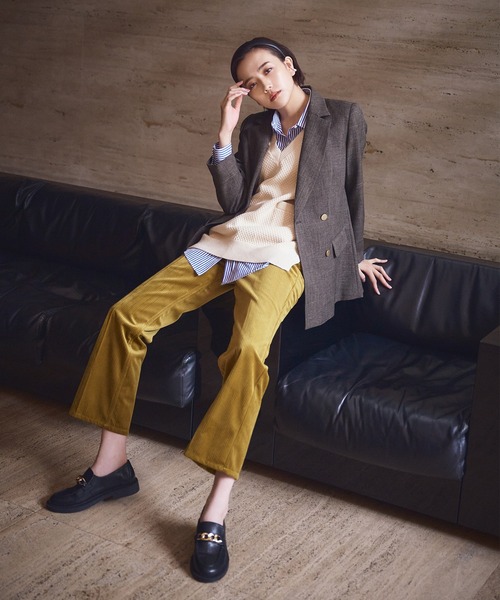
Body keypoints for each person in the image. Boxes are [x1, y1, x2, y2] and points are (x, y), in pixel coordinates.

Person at [45, 37, 392, 583]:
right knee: (126, 315)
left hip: (287, 254)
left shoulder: (344, 117)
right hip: (230, 240)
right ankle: (111, 464)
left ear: (290, 65)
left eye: (268, 70)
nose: (263, 85)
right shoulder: (254, 129)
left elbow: (351, 196)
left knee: (248, 352)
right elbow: (234, 203)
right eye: (251, 82)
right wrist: (225, 135)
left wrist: (353, 258)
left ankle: (215, 509)